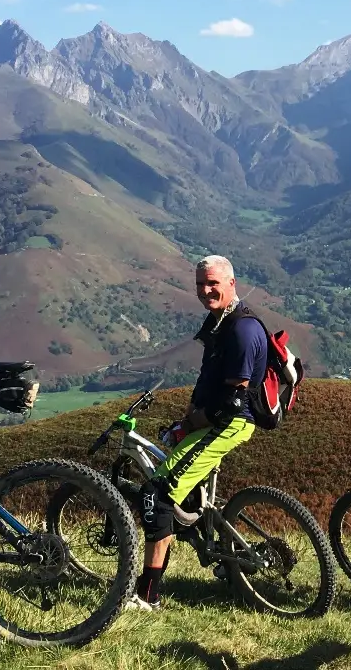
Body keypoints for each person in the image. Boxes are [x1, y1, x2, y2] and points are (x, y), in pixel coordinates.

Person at [129, 254, 267, 611]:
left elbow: (233, 403)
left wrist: (192, 423)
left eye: (213, 284)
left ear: (231, 284)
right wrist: (185, 419)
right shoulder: (218, 321)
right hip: (211, 420)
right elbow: (209, 380)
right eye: (200, 284)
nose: (206, 291)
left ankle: (147, 595)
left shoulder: (242, 329)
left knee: (157, 495)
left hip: (228, 424)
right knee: (183, 492)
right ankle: (215, 547)